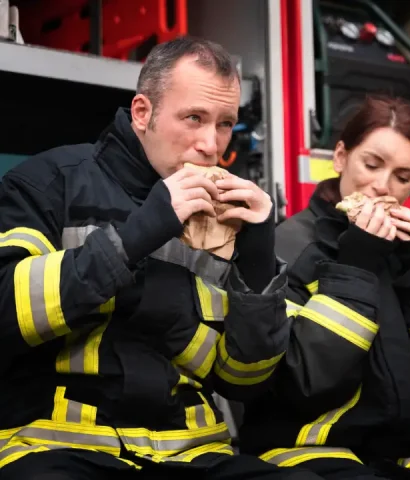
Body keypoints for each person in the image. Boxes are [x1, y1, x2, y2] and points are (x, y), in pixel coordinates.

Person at [0, 37, 316, 480]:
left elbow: (246, 377)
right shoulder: (48, 183)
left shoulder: (227, 219)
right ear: (142, 113)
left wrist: (259, 259)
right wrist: (132, 240)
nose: (212, 145)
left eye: (225, 124)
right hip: (56, 445)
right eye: (194, 118)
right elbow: (4, 311)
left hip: (192, 453)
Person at [239, 96, 410, 480]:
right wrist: (356, 266)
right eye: (371, 164)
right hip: (310, 451)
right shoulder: (285, 248)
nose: (382, 187)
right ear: (340, 157)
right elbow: (297, 383)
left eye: (403, 177)